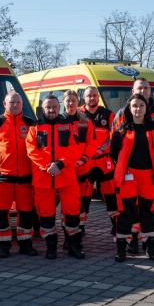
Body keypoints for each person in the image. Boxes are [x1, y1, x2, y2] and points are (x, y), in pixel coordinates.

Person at [112, 78, 154, 254]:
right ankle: (122, 248)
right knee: (126, 212)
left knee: (149, 211)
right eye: (135, 106)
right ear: (129, 108)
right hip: (127, 177)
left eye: (141, 106)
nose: (138, 109)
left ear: (146, 108)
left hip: (148, 176)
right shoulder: (121, 129)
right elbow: (114, 152)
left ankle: (150, 246)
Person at [26, 95, 85, 259]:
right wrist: (48, 167)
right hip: (43, 178)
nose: (51, 110)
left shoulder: (69, 125)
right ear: (43, 108)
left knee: (72, 211)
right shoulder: (34, 127)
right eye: (48, 107)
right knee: (46, 214)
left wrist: (60, 164)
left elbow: (75, 149)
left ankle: (73, 246)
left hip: (66, 175)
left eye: (54, 107)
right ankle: (51, 248)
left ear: (59, 108)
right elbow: (31, 151)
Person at [0, 91, 38, 258]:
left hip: (26, 176)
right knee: (1, 211)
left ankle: (25, 244)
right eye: (11, 102)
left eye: (18, 102)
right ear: (4, 104)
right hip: (2, 175)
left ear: (22, 104)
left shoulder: (30, 123)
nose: (15, 105)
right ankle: (3, 246)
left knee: (26, 212)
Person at [79, 86, 119, 239]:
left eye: (95, 95)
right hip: (86, 161)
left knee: (110, 194)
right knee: (84, 196)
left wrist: (102, 148)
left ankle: (116, 224)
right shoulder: (79, 114)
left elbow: (114, 136)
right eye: (89, 95)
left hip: (104, 161)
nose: (92, 98)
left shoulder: (108, 114)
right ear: (85, 97)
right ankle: (80, 226)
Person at [62, 90, 97, 246]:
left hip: (82, 168)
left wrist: (83, 159)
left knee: (81, 203)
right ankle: (68, 237)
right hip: (65, 169)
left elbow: (91, 144)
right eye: (68, 100)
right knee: (67, 205)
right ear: (63, 102)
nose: (71, 104)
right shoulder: (59, 122)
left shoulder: (86, 122)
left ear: (78, 102)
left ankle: (78, 232)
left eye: (73, 101)